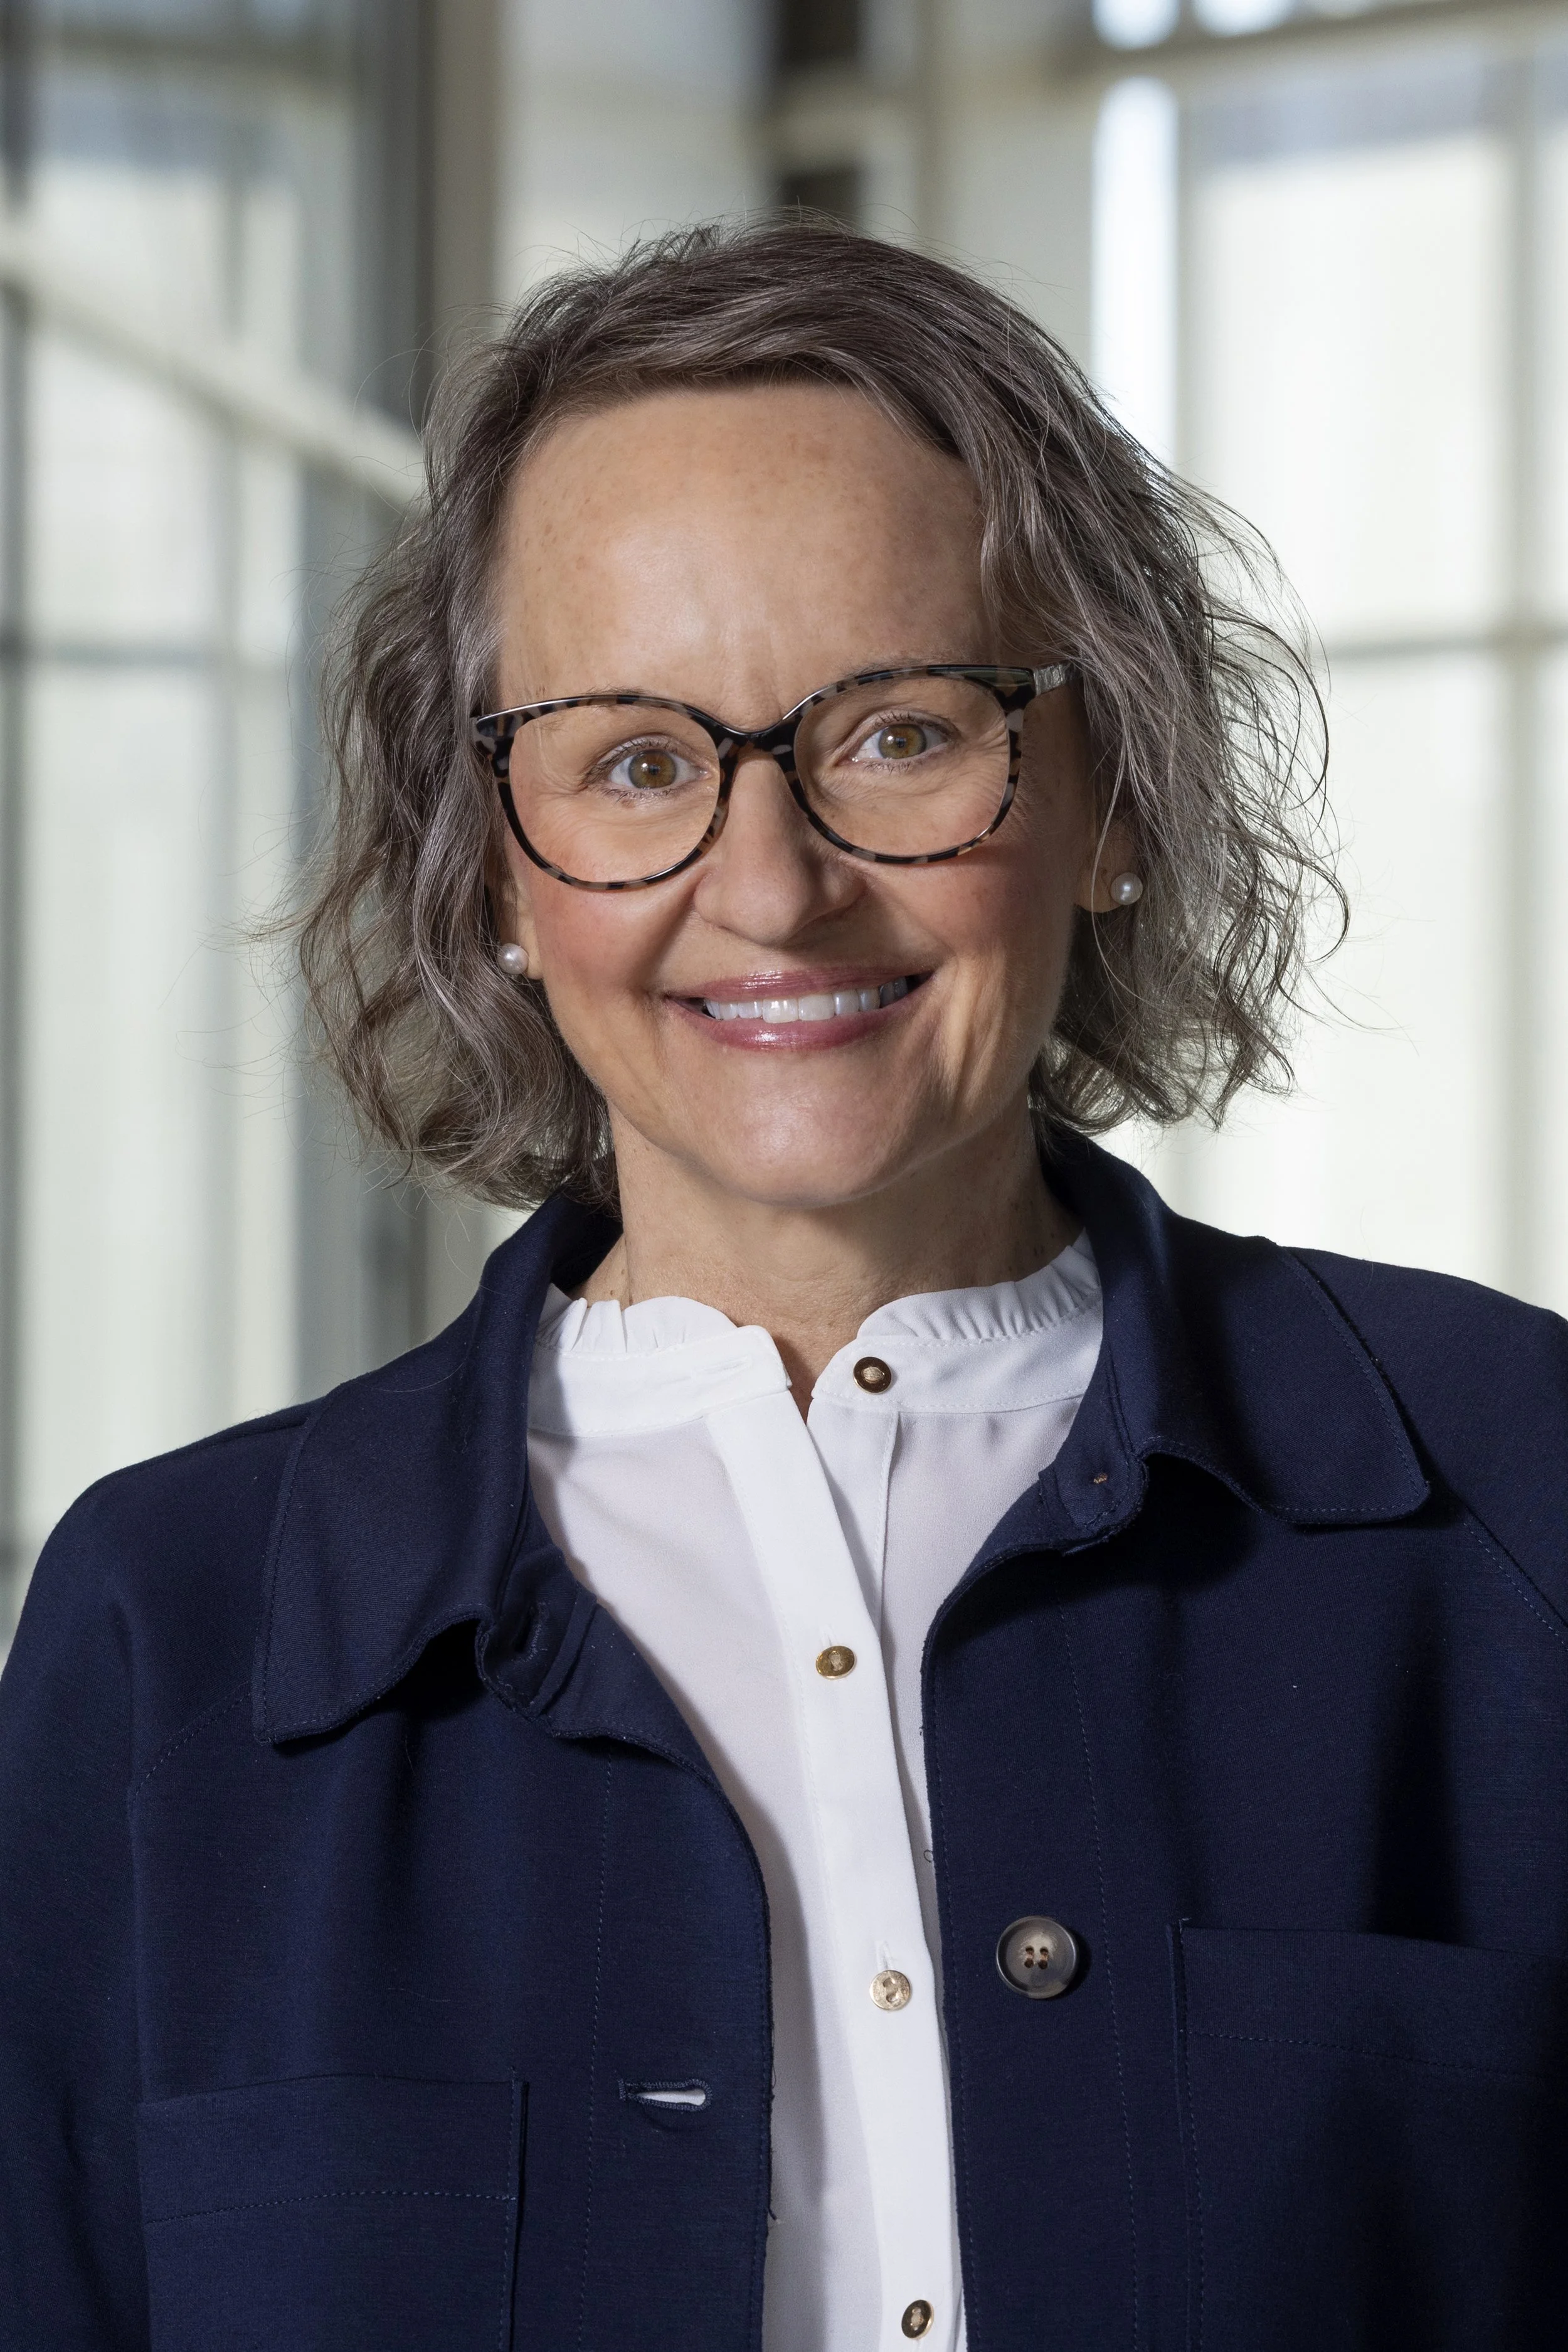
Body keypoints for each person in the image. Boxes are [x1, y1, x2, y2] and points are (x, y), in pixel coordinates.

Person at [3, 218, 1566, 2352]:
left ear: (1103, 790)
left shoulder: (1515, 1499)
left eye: (900, 732)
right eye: (635, 760)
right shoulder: (168, 1629)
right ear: (492, 880)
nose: (770, 885)